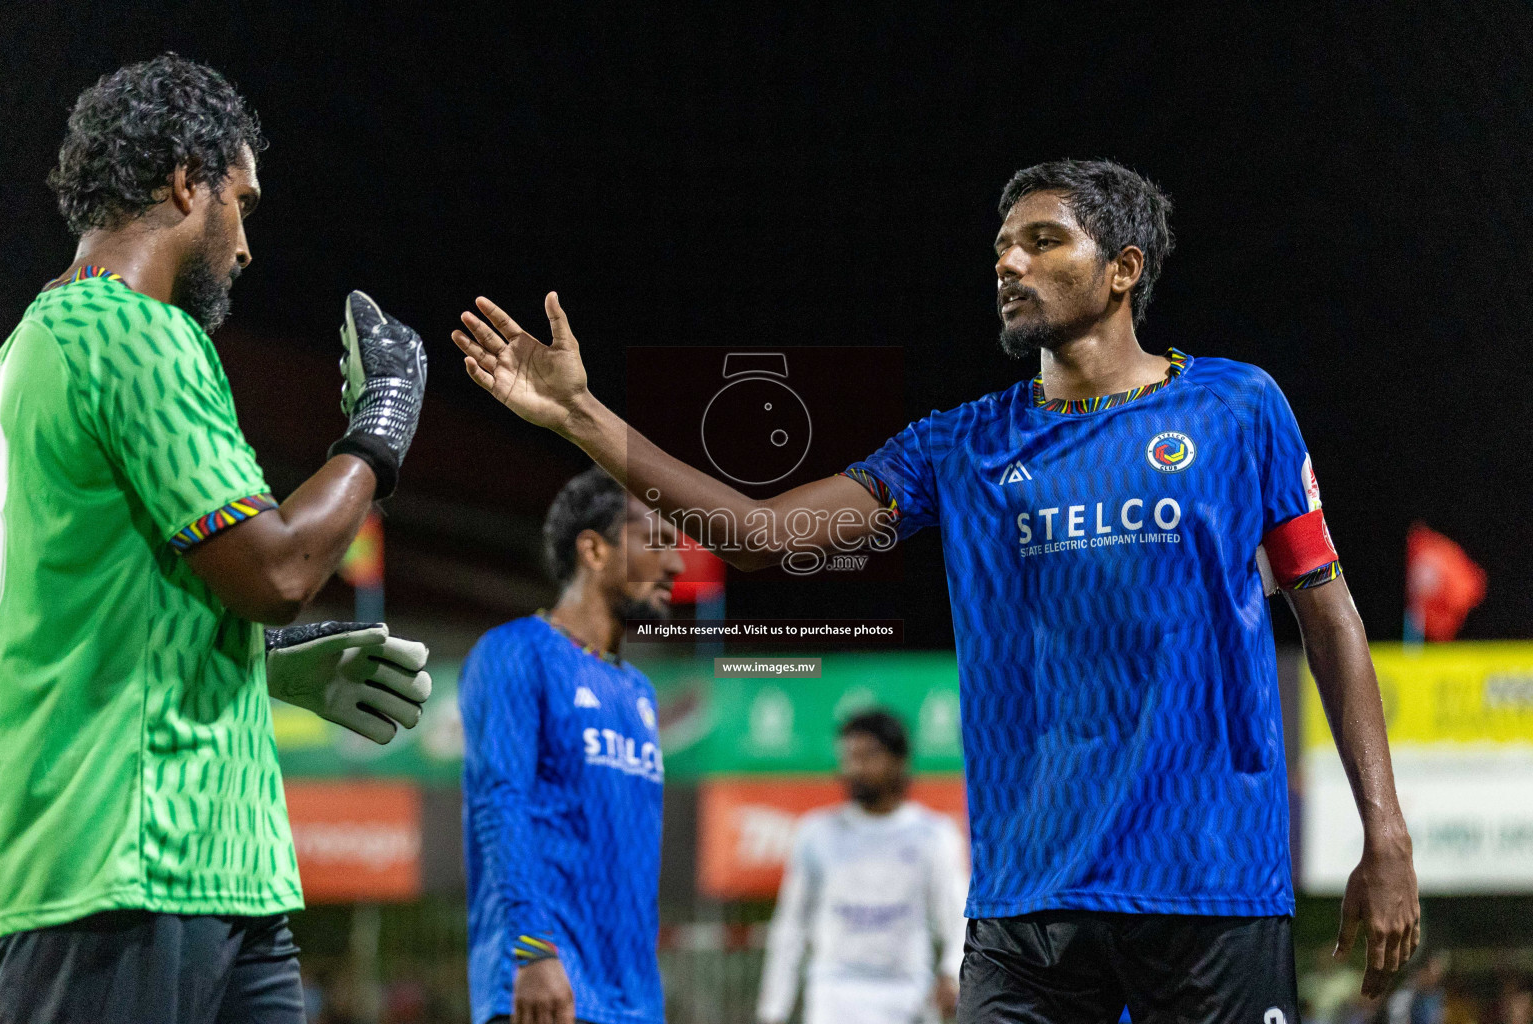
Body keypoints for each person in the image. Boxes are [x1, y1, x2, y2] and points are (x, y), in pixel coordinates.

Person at [453, 157, 1421, 1021]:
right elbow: (757, 536)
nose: (1009, 263)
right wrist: (582, 416)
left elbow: (1326, 611)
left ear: (1124, 268)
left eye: (1044, 241)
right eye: (1002, 246)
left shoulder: (1237, 406)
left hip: (1209, 889)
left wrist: (1386, 832)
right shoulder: (960, 445)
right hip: (1026, 910)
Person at [0, 56, 430, 1023]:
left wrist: (268, 665)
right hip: (130, 865)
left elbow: (80, 602)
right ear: (187, 182)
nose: (245, 244)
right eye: (242, 201)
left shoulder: (34, 347)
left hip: (212, 872)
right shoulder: (133, 333)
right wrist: (383, 426)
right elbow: (277, 570)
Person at [461, 466, 685, 1024]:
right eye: (654, 541)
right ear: (595, 550)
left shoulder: (639, 690)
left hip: (634, 1000)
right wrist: (533, 948)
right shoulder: (514, 652)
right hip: (545, 986)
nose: (675, 564)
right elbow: (498, 802)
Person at [757, 709, 967, 1024]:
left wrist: (951, 973)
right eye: (849, 757)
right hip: (833, 994)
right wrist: (772, 1011)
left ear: (899, 761)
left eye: (868, 756)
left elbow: (957, 916)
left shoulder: (934, 835)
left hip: (909, 995)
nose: (855, 768)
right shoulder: (817, 833)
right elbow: (790, 927)